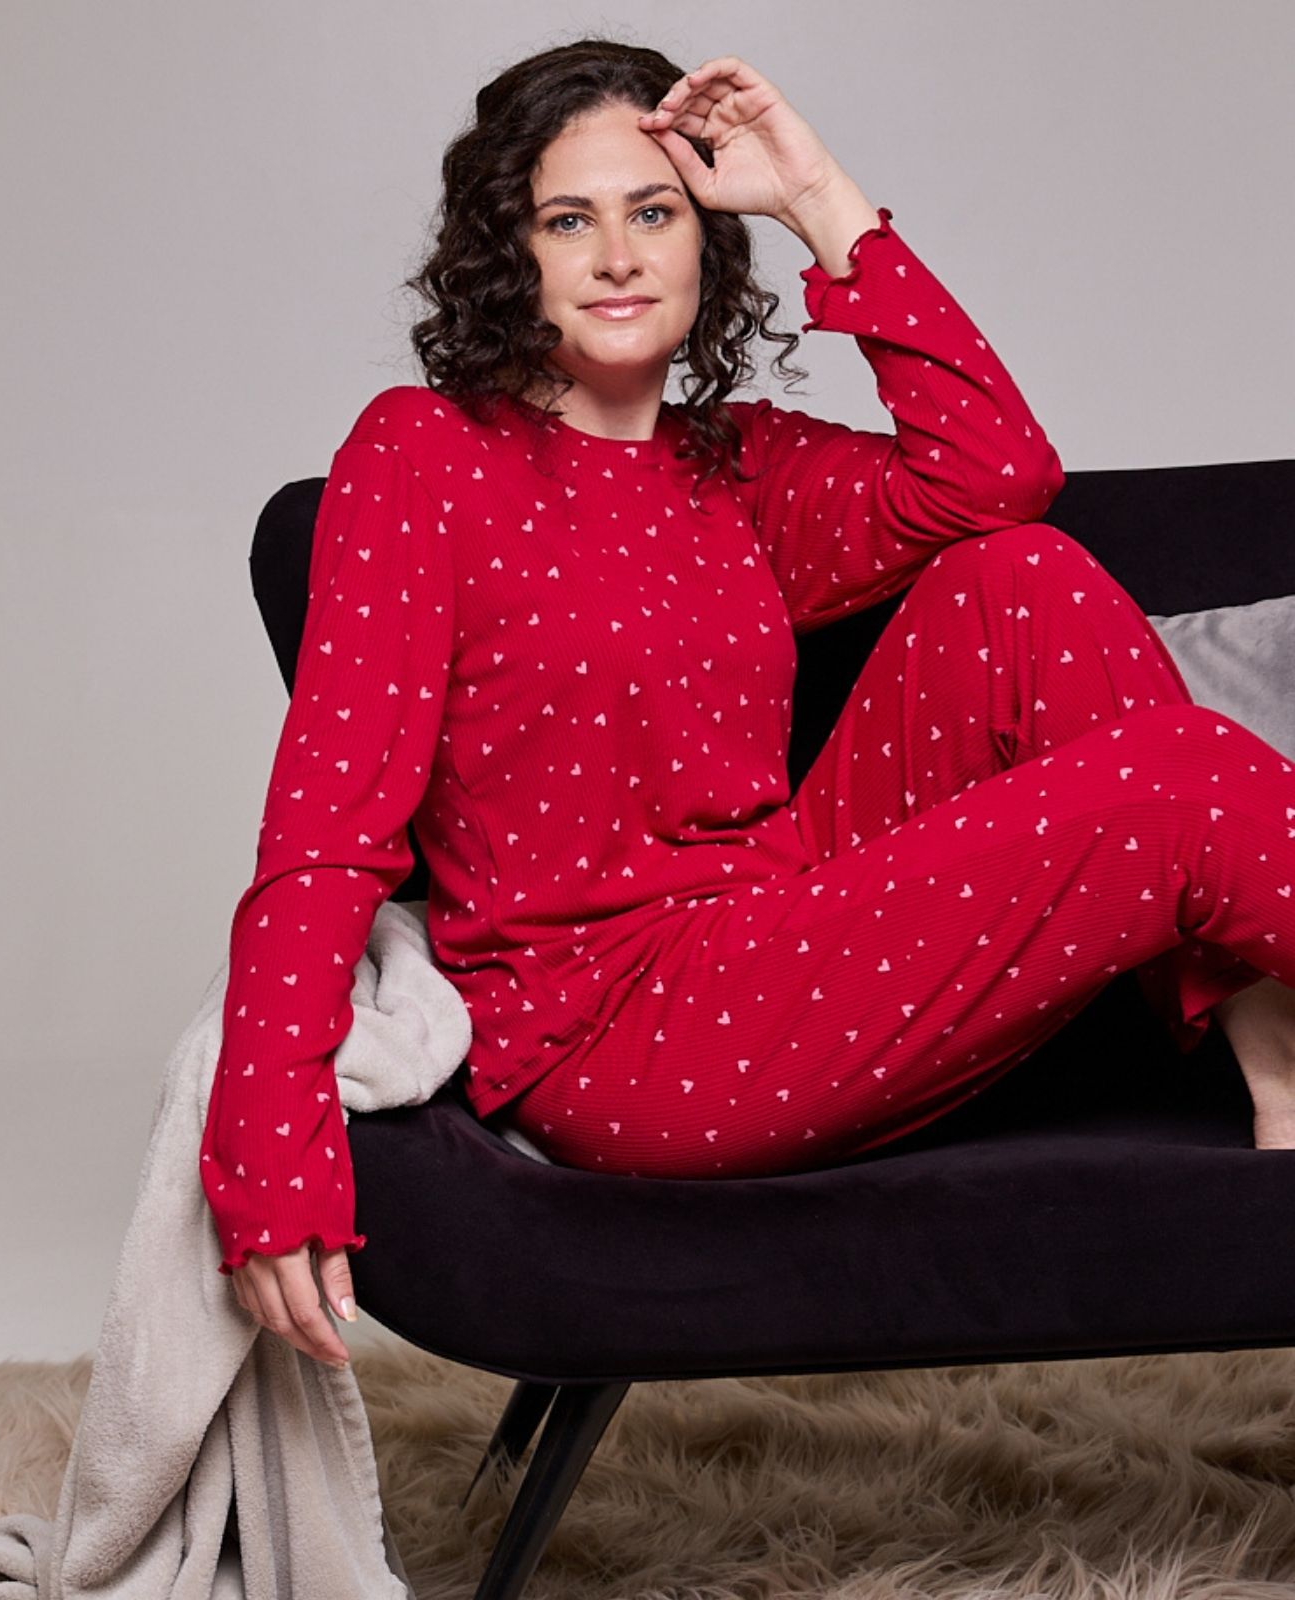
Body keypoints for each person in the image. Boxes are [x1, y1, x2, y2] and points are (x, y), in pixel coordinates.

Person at [199, 39, 1295, 1370]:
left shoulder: (739, 467)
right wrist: (264, 1140)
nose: (618, 257)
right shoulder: (421, 456)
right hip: (623, 1030)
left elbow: (999, 472)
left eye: (655, 212)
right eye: (568, 220)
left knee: (1023, 581)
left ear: (706, 241)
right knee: (1179, 777)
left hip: (780, 924)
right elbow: (331, 822)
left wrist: (817, 194)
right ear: (511, 254)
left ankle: (1268, 1039)